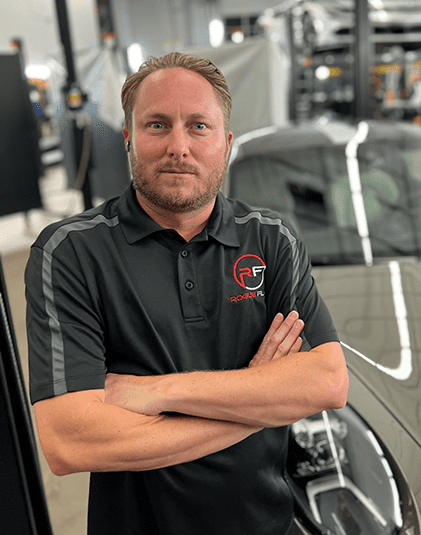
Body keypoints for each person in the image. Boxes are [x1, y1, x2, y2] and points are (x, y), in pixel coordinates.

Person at [25, 52, 348, 535]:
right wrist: (258, 401)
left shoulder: (270, 240)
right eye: (158, 125)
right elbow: (71, 443)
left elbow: (326, 382)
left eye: (199, 126)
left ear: (226, 143)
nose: (179, 146)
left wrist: (154, 391)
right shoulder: (70, 252)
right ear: (129, 138)